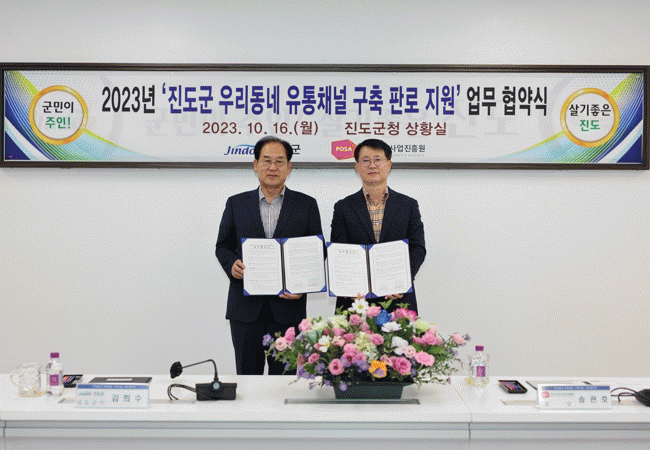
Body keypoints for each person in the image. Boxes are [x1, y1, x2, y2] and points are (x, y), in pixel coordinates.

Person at [215, 136, 323, 375]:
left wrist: (303, 285)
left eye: (279, 161)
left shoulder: (306, 205)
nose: (272, 167)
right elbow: (222, 246)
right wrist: (231, 264)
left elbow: (317, 251)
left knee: (285, 381)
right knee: (247, 377)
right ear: (255, 164)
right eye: (266, 161)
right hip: (245, 310)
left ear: (289, 166)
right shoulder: (236, 203)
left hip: (288, 310)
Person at [330, 138, 426, 313]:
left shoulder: (408, 205)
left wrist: (402, 281)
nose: (372, 165)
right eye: (365, 160)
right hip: (356, 301)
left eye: (378, 159)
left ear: (389, 164)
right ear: (357, 167)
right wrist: (350, 285)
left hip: (398, 300)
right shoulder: (343, 207)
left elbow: (417, 247)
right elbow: (339, 250)